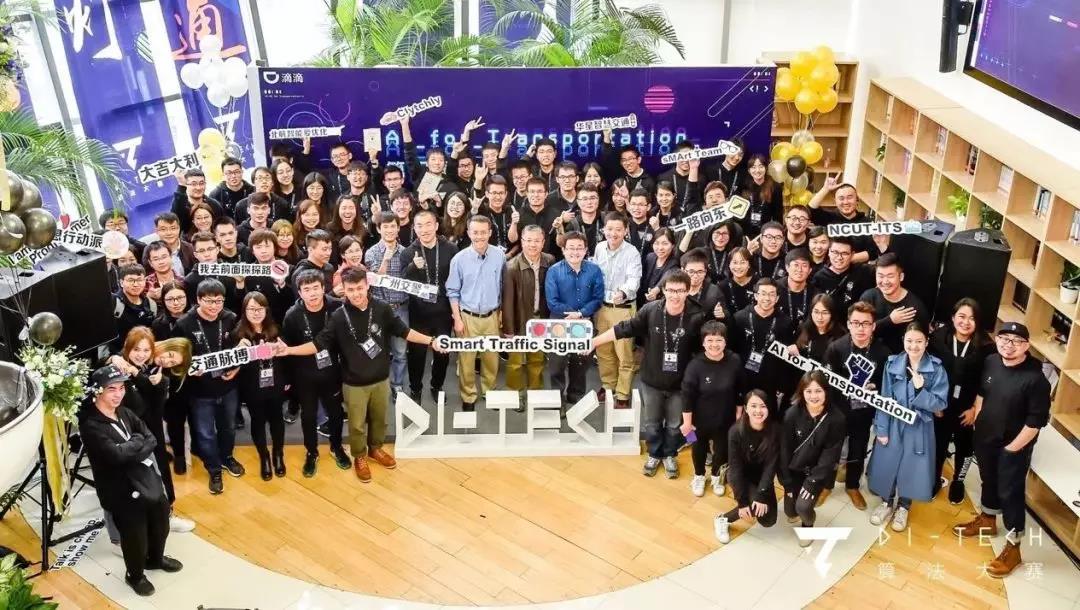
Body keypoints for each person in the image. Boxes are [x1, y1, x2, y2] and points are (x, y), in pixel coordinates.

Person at [277, 267, 442, 482]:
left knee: (380, 420)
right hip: (353, 382)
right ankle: (359, 456)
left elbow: (404, 331)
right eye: (351, 289)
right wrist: (289, 350)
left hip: (381, 378)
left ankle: (376, 449)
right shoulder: (338, 315)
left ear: (367, 286)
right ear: (343, 290)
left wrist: (431, 341)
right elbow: (318, 345)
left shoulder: (382, 308)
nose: (356, 293)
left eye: (360, 288)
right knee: (356, 425)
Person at [954, 322, 1051, 578]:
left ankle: (1013, 548)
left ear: (1026, 346)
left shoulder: (1036, 380)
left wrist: (1011, 450)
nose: (1009, 345)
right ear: (997, 340)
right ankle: (987, 521)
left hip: (1013, 447)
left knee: (1010, 494)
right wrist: (978, 419)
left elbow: (1035, 423)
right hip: (985, 437)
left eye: (1016, 341)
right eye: (1004, 339)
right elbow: (982, 393)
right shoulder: (992, 362)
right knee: (988, 480)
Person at [80, 365, 183, 596]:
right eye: (111, 389)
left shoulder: (125, 412)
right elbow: (116, 456)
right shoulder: (91, 425)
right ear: (98, 391)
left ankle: (155, 559)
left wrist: (130, 447)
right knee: (134, 535)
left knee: (161, 520)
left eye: (121, 388)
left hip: (146, 479)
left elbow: (151, 438)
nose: (118, 394)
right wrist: (137, 443)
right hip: (120, 489)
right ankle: (135, 575)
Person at [593, 271, 704, 478]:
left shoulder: (697, 316)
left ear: (688, 291)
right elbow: (624, 328)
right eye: (671, 290)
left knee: (674, 425)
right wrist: (594, 342)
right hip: (652, 381)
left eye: (680, 291)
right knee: (652, 423)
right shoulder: (651, 310)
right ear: (663, 291)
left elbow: (702, 351)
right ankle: (654, 453)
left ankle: (669, 454)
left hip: (681, 385)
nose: (675, 295)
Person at [868, 322, 949, 532]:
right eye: (909, 341)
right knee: (888, 463)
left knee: (911, 467)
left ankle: (904, 506)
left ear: (927, 342)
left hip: (919, 425)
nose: (914, 346)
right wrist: (882, 429)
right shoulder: (892, 364)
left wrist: (921, 390)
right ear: (903, 341)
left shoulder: (936, 369)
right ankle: (886, 502)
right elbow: (885, 398)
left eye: (919, 341)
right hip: (893, 422)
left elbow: (940, 404)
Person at [279, 269, 351, 477]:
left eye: (315, 288)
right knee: (309, 416)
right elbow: (288, 349)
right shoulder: (292, 315)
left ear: (323, 288)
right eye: (307, 289)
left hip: (333, 372)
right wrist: (288, 380)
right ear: (300, 292)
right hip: (305, 375)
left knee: (335, 413)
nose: (312, 293)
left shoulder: (337, 307)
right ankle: (311, 452)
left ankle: (336, 447)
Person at [175, 279, 244, 495]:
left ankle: (227, 457)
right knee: (205, 433)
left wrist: (237, 367)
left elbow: (239, 348)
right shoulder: (184, 324)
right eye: (209, 301)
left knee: (229, 427)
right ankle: (213, 469)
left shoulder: (231, 318)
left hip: (228, 385)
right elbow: (177, 357)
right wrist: (189, 368)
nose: (214, 306)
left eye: (219, 301)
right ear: (198, 300)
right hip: (200, 390)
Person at [822, 301, 890, 509]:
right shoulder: (836, 348)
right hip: (838, 411)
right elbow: (826, 382)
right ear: (848, 324)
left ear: (873, 326)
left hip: (864, 413)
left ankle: (852, 486)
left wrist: (874, 387)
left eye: (866, 323)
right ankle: (826, 485)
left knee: (858, 450)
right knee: (832, 450)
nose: (861, 328)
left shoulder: (883, 353)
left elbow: (886, 385)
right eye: (856, 323)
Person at [929, 298, 994, 504]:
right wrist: (933, 403)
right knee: (937, 445)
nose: (966, 322)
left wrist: (975, 408)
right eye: (962, 316)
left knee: (965, 447)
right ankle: (933, 479)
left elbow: (987, 382)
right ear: (953, 317)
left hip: (967, 408)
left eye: (972, 318)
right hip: (942, 405)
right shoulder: (938, 338)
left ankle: (958, 481)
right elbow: (929, 371)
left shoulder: (987, 347)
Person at [446, 215, 506, 411]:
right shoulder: (459, 259)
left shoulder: (499, 256)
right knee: (467, 360)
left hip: (492, 316)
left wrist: (501, 313)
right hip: (467, 317)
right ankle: (468, 395)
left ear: (490, 233)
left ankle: (490, 391)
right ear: (469, 233)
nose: (479, 236)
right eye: (475, 232)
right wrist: (457, 319)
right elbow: (452, 291)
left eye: (483, 232)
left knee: (491, 358)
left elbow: (503, 286)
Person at [779, 370, 846, 545]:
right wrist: (787, 482)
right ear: (802, 392)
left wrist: (812, 483)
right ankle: (796, 510)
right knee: (790, 511)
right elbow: (784, 449)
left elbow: (830, 455)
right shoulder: (792, 414)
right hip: (794, 469)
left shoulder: (837, 419)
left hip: (816, 473)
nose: (813, 396)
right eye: (808, 391)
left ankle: (808, 526)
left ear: (826, 391)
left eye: (818, 391)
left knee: (803, 507)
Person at [680, 321, 744, 497]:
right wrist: (687, 423)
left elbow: (740, 389)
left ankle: (717, 476)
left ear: (725, 342)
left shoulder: (734, 360)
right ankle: (699, 476)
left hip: (725, 418)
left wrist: (739, 416)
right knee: (697, 448)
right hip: (696, 421)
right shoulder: (695, 365)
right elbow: (687, 395)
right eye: (710, 340)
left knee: (722, 450)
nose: (714, 345)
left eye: (719, 340)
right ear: (703, 342)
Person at [401, 209, 456, 404]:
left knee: (442, 352)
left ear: (436, 225)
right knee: (416, 354)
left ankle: (437, 386)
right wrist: (412, 267)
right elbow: (402, 282)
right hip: (418, 312)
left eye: (428, 224)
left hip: (443, 311)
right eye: (419, 226)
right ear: (414, 229)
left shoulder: (450, 249)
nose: (424, 229)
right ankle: (415, 388)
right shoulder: (408, 252)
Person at [545, 232, 604, 409]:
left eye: (579, 248)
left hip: (585, 323)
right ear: (563, 250)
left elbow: (598, 298)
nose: (575, 252)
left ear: (586, 250)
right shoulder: (554, 271)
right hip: (559, 324)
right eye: (571, 248)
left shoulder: (594, 270)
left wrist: (581, 313)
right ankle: (558, 401)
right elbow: (552, 302)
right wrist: (574, 313)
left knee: (581, 362)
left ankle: (575, 396)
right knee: (556, 365)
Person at [713, 389, 780, 544]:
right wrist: (742, 503)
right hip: (740, 475)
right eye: (753, 406)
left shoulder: (775, 430)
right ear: (746, 408)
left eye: (763, 406)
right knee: (752, 505)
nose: (758, 411)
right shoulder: (736, 431)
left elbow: (771, 466)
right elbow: (735, 468)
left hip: (761, 476)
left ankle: (754, 499)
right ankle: (723, 519)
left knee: (768, 520)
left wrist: (761, 494)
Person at [234, 292, 287, 480]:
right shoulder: (238, 334)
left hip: (275, 384)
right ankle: (264, 456)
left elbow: (286, 359)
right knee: (257, 421)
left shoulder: (276, 330)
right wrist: (239, 351)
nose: (256, 313)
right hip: (252, 387)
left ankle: (278, 454)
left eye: (260, 308)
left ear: (266, 310)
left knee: (277, 419)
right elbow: (233, 365)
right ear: (244, 311)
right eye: (251, 309)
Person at [592, 212, 642, 408]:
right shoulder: (599, 248)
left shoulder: (632, 252)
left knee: (624, 354)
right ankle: (608, 386)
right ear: (604, 229)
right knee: (604, 351)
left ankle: (622, 394)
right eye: (610, 229)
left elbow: (634, 280)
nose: (613, 233)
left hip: (623, 308)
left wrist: (623, 292)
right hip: (602, 308)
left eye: (618, 229)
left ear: (625, 231)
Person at [501, 225, 554, 394]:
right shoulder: (511, 267)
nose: (533, 244)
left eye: (537, 241)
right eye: (528, 240)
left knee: (537, 359)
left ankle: (535, 393)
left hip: (540, 320)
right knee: (515, 361)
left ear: (543, 242)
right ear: (522, 242)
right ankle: (514, 394)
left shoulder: (549, 261)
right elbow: (507, 302)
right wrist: (509, 330)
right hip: (519, 319)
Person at [730, 278, 795, 413]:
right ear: (755, 296)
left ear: (777, 298)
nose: (767, 298)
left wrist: (782, 385)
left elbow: (786, 360)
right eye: (763, 294)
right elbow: (732, 350)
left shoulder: (785, 322)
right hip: (744, 377)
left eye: (771, 294)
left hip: (771, 381)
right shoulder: (740, 318)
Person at [364, 212, 410, 401]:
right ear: (378, 229)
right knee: (377, 351)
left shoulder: (406, 252)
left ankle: (397, 385)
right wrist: (386, 258)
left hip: (401, 308)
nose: (390, 230)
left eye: (393, 226)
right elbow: (375, 280)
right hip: (379, 309)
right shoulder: (371, 252)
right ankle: (378, 385)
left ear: (398, 228)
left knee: (400, 351)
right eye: (385, 227)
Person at [859, 252, 929, 353]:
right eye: (880, 276)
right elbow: (858, 331)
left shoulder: (915, 307)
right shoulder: (868, 297)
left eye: (890, 276)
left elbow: (919, 344)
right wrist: (890, 321)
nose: (885, 281)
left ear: (901, 277)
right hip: (867, 353)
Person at [810, 236, 874, 320]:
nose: (839, 257)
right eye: (835, 252)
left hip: (857, 323)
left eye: (844, 253)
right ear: (829, 252)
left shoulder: (864, 272)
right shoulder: (819, 277)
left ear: (852, 255)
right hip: (830, 324)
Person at [112, 265, 157, 351]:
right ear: (121, 282)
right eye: (130, 280)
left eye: (139, 280)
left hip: (142, 353)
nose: (135, 284)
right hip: (116, 353)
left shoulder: (151, 304)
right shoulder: (113, 302)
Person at [738, 154, 783, 239]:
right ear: (749, 170)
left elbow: (777, 214)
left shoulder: (775, 187)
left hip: (766, 232)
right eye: (753, 167)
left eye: (761, 166)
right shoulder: (743, 185)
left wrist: (777, 234)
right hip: (746, 232)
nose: (757, 170)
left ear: (766, 168)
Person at [793, 293, 844, 363]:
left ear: (832, 314)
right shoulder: (803, 328)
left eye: (825, 313)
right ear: (811, 312)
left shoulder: (840, 336)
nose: (820, 317)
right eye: (816, 312)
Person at [171, 168, 223, 234]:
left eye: (201, 183)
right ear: (186, 185)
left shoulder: (214, 205)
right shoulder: (181, 206)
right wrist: (181, 185)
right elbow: (175, 221)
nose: (198, 188)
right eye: (194, 184)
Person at [640, 228, 680, 309]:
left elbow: (669, 274)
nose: (660, 248)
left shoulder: (674, 263)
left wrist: (656, 290)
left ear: (672, 245)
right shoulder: (650, 257)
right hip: (641, 302)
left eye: (665, 244)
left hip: (660, 306)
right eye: (656, 243)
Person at [776, 248, 817, 329]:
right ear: (787, 267)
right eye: (796, 265)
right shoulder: (774, 288)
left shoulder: (815, 294)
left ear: (810, 270)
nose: (800, 270)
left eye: (804, 266)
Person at [720, 246, 756, 315]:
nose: (738, 267)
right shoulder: (722, 286)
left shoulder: (758, 284)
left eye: (742, 262)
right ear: (729, 265)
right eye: (735, 262)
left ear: (749, 265)